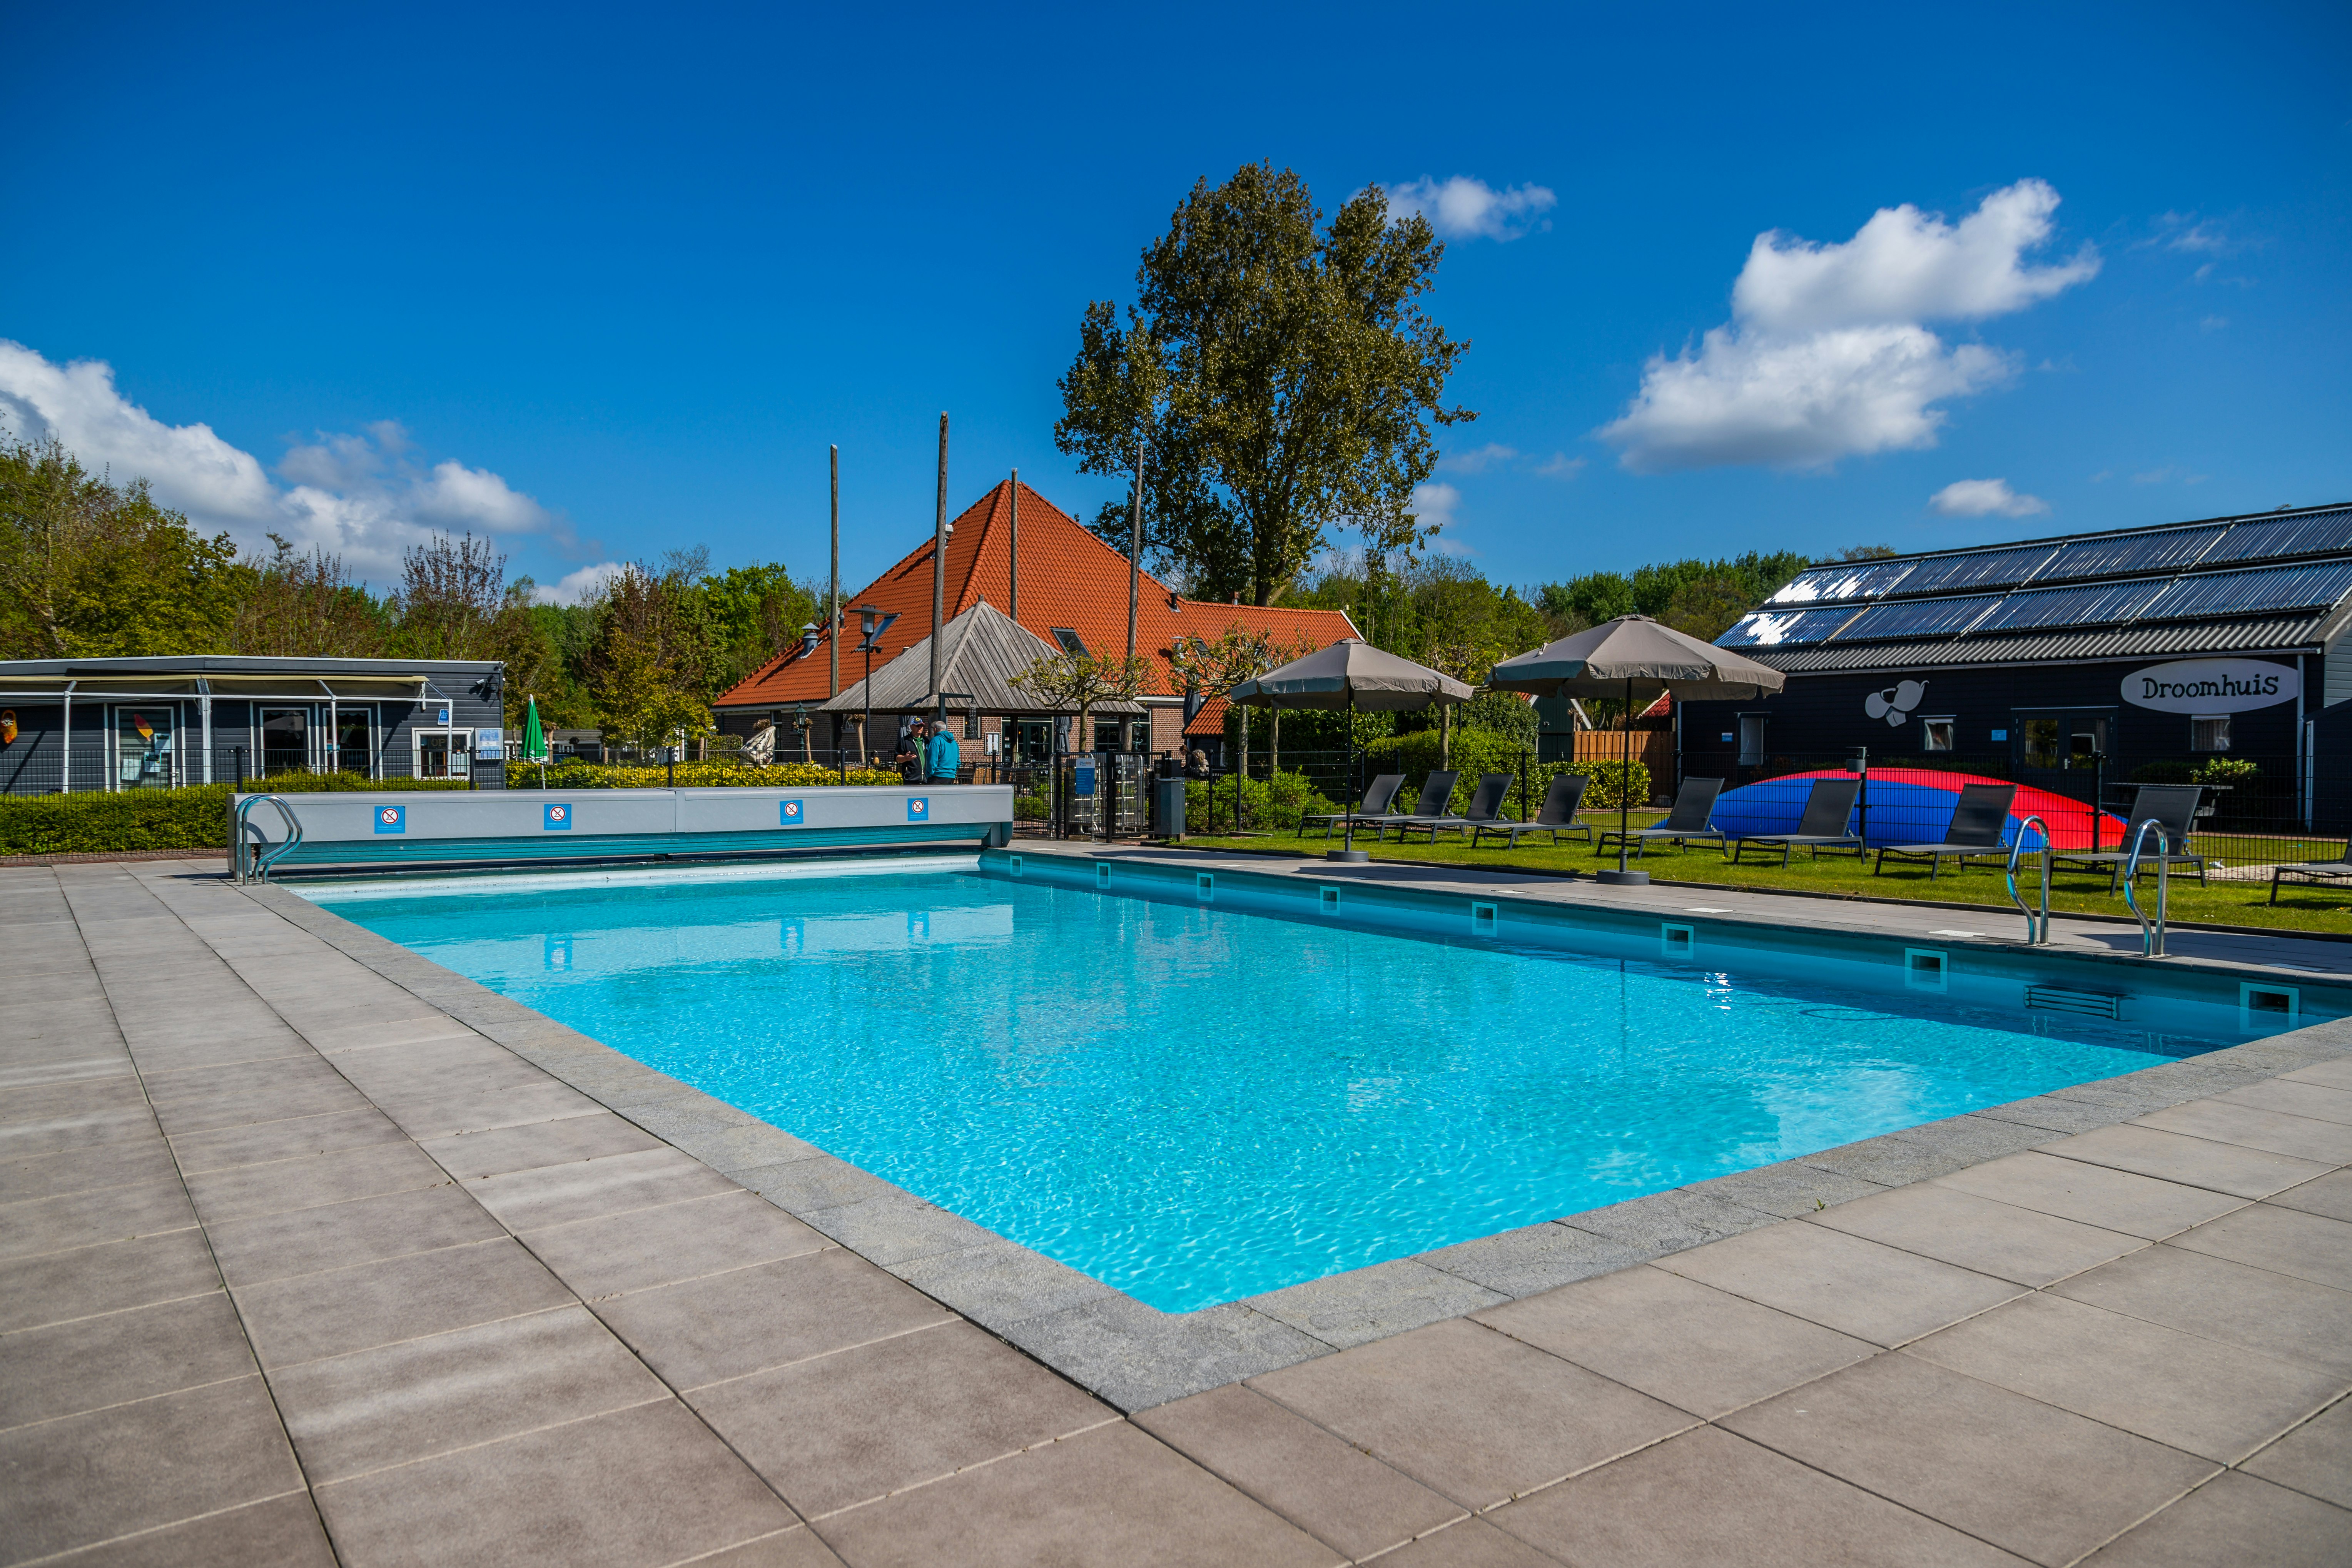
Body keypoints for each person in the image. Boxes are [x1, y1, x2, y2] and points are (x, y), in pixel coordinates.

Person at [927, 719, 961, 783]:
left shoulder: (936, 740)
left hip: (937, 776)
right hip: (951, 777)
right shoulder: (954, 743)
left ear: (935, 729)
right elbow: (958, 762)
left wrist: (929, 774)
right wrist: (953, 772)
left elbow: (932, 760)